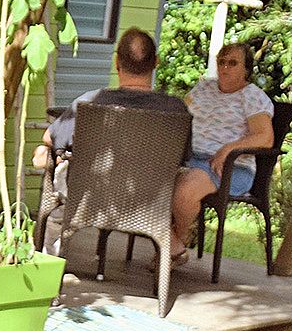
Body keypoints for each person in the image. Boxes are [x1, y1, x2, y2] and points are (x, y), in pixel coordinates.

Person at [34, 26, 188, 204]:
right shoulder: (176, 110)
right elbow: (183, 158)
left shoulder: (90, 103)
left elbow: (50, 138)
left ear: (117, 62)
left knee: (46, 154)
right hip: (148, 206)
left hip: (92, 201)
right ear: (156, 62)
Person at [171, 41, 275, 263]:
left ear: (246, 69)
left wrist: (228, 149)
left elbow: (265, 137)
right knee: (146, 180)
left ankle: (174, 245)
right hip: (190, 158)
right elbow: (179, 117)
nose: (225, 68)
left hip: (230, 167)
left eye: (233, 63)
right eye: (222, 62)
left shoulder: (252, 96)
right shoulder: (203, 88)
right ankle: (175, 245)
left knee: (184, 191)